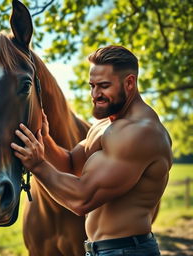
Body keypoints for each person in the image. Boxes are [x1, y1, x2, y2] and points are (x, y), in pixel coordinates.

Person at [11, 45, 173, 256]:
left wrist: (38, 165)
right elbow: (70, 165)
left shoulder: (141, 133)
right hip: (97, 250)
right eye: (92, 86)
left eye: (104, 86)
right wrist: (46, 141)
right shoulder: (104, 126)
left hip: (128, 251)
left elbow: (82, 200)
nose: (95, 94)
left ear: (130, 83)